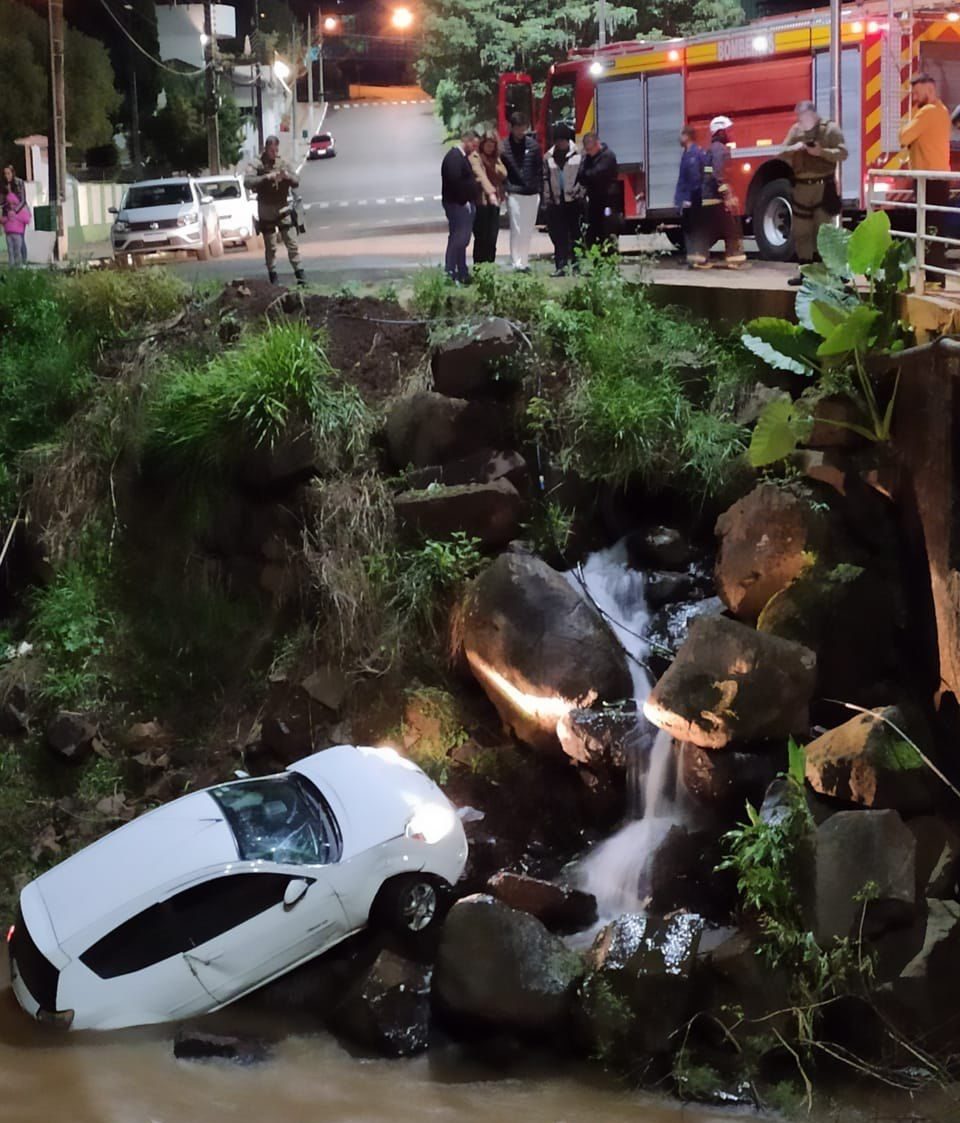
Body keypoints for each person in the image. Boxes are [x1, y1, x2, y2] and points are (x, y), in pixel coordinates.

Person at [782, 101, 848, 285]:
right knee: (802, 232)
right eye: (799, 118)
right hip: (802, 187)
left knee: (823, 231)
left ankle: (830, 272)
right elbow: (781, 151)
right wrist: (794, 149)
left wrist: (821, 152)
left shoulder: (830, 130)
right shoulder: (795, 131)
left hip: (822, 187)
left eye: (804, 117)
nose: (801, 121)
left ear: (813, 114)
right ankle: (805, 272)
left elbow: (843, 153)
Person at [900, 74, 952, 285]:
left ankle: (934, 278)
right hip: (938, 179)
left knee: (929, 229)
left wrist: (911, 118)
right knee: (934, 229)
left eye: (917, 92)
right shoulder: (942, 110)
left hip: (929, 181)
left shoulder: (927, 112)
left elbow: (903, 136)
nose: (913, 96)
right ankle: (935, 277)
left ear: (929, 90)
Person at [244, 135, 305, 286]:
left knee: (291, 242)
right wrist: (266, 178)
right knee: (270, 246)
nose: (274, 152)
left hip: (282, 207)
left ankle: (301, 276)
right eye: (271, 150)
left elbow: (296, 181)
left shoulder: (282, 162)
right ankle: (273, 276)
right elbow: (247, 181)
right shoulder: (257, 163)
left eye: (276, 149)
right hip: (266, 209)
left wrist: (286, 177)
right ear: (266, 149)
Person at [686, 115, 746, 270]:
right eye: (728, 130)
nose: (730, 133)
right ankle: (734, 259)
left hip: (708, 196)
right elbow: (719, 174)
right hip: (715, 197)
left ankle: (698, 258)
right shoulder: (720, 149)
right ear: (721, 131)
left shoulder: (712, 148)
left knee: (708, 229)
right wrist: (728, 196)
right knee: (730, 229)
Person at [500, 112, 543, 272]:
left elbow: (539, 169)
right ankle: (516, 261)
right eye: (517, 127)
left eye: (522, 127)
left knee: (527, 228)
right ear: (511, 127)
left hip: (532, 192)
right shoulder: (504, 147)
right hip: (514, 192)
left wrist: (539, 188)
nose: (520, 131)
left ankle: (524, 261)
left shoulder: (533, 146)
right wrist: (506, 187)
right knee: (516, 227)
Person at [541, 123, 583, 274]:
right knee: (559, 236)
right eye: (557, 141)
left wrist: (580, 193)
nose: (560, 144)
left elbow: (583, 177)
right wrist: (547, 200)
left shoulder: (578, 154)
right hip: (556, 202)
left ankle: (577, 266)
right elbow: (545, 179)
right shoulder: (548, 157)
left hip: (574, 201)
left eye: (563, 141)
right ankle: (561, 266)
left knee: (576, 234)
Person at [441, 129, 480, 283]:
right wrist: (464, 200)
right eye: (473, 145)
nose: (474, 148)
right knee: (457, 238)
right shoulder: (454, 158)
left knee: (463, 240)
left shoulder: (462, 157)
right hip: (457, 204)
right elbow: (455, 182)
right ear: (467, 141)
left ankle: (461, 269)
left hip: (463, 204)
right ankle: (451, 270)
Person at [577, 133, 619, 252]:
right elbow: (581, 175)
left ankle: (609, 264)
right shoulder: (587, 158)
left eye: (590, 149)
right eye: (586, 150)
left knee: (608, 233)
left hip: (608, 201)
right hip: (594, 201)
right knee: (592, 235)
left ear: (597, 144)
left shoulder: (608, 157)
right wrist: (587, 174)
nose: (588, 152)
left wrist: (587, 174)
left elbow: (596, 174)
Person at [469, 131, 507, 267]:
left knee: (492, 237)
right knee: (481, 238)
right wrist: (490, 192)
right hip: (481, 203)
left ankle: (490, 267)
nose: (490, 148)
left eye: (492, 146)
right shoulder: (475, 157)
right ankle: (479, 268)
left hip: (495, 203)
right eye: (487, 145)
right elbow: (480, 176)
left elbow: (503, 174)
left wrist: (493, 163)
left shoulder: (496, 159)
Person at [673, 125, 706, 258]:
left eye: (681, 135)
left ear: (686, 136)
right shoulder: (688, 153)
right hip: (688, 199)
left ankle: (695, 255)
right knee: (689, 228)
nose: (679, 138)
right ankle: (693, 255)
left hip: (690, 200)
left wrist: (688, 199)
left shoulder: (692, 154)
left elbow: (694, 179)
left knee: (692, 229)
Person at [1, 185, 30, 267]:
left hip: (18, 234)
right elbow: (2, 220)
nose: (11, 205)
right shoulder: (6, 211)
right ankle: (11, 265)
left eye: (13, 203)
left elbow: (27, 219)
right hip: (8, 234)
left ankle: (19, 264)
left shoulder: (20, 211)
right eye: (9, 203)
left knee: (17, 250)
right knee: (10, 250)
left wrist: (16, 216)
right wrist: (7, 218)